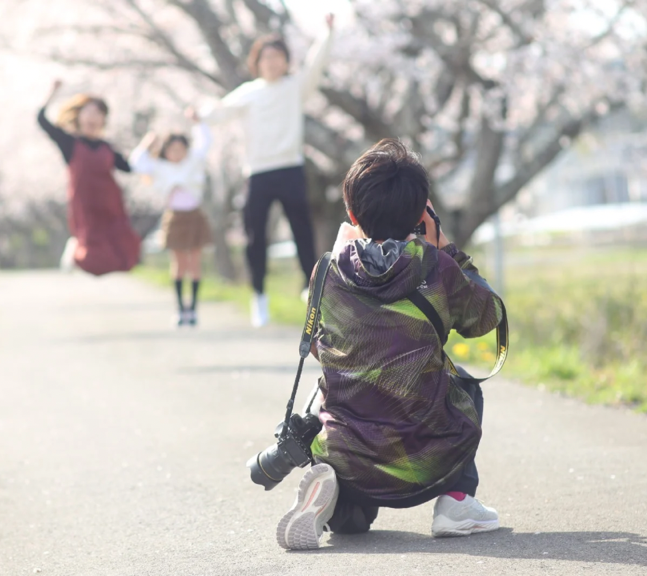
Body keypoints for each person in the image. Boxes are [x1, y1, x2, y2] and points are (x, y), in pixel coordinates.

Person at [275, 139, 506, 550]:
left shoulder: (326, 270)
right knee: (467, 385)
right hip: (432, 455)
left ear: (351, 214)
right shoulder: (436, 267)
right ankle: (455, 502)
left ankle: (336, 500)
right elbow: (485, 317)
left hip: (351, 455)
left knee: (353, 516)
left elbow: (319, 348)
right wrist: (447, 248)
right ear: (422, 214)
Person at [197, 14, 335, 327]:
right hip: (258, 173)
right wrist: (200, 114)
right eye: (267, 57)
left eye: (278, 57)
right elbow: (220, 111)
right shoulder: (250, 91)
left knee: (302, 231)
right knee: (255, 235)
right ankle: (259, 295)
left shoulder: (294, 87)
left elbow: (316, 66)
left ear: (287, 62)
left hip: (290, 169)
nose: (273, 63)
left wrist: (327, 34)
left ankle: (307, 287)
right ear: (257, 62)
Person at [37, 80, 141, 276]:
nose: (93, 117)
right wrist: (52, 92)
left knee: (121, 250)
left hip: (109, 203)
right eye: (89, 112)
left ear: (104, 119)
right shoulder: (69, 143)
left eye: (98, 114)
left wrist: (148, 150)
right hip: (84, 202)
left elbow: (129, 167)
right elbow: (42, 120)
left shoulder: (107, 147)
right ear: (79, 116)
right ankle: (75, 250)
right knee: (91, 251)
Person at [129, 109, 213, 327]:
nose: (177, 153)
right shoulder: (160, 167)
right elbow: (136, 162)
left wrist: (198, 122)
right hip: (174, 217)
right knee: (178, 263)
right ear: (166, 151)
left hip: (194, 215)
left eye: (180, 149)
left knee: (194, 262)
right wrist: (147, 142)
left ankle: (193, 308)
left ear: (186, 150)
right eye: (172, 149)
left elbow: (205, 143)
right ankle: (180, 309)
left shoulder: (193, 161)